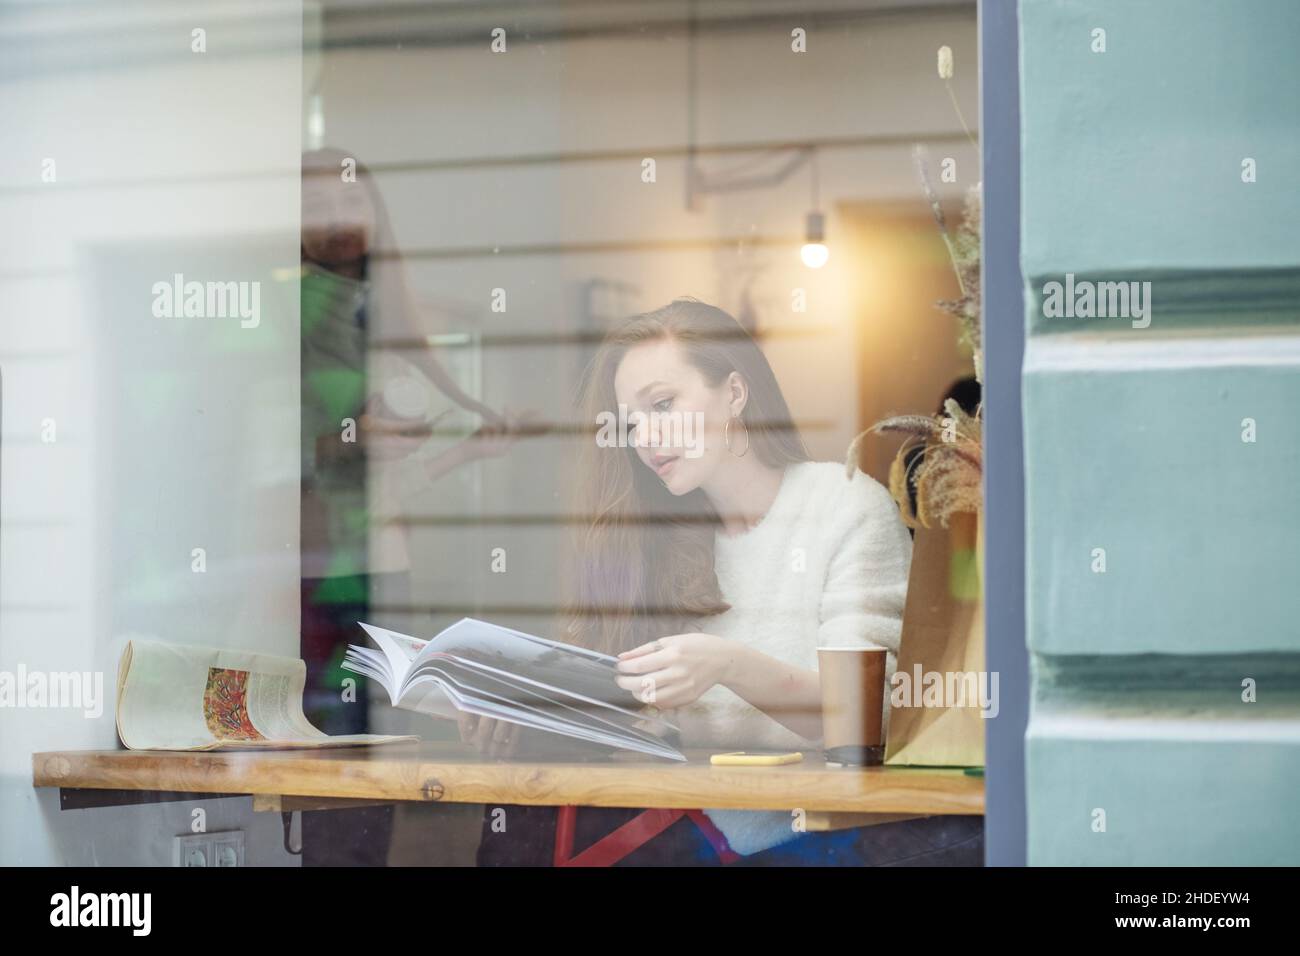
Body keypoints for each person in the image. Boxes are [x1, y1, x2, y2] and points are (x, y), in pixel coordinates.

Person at [470, 298, 982, 865]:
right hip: (693, 829)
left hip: (820, 834)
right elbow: (637, 727)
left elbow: (869, 719)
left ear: (735, 394)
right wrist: (517, 711)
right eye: (632, 421)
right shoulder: (656, 537)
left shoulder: (842, 504)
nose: (644, 438)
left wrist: (729, 665)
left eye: (663, 404)